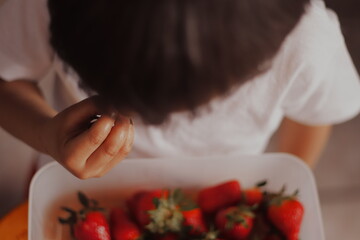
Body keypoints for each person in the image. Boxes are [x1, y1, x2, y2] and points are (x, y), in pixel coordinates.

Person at [0, 0, 359, 182]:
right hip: (66, 172)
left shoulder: (306, 44)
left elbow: (316, 115)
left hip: (225, 189)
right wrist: (45, 132)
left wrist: (278, 181)